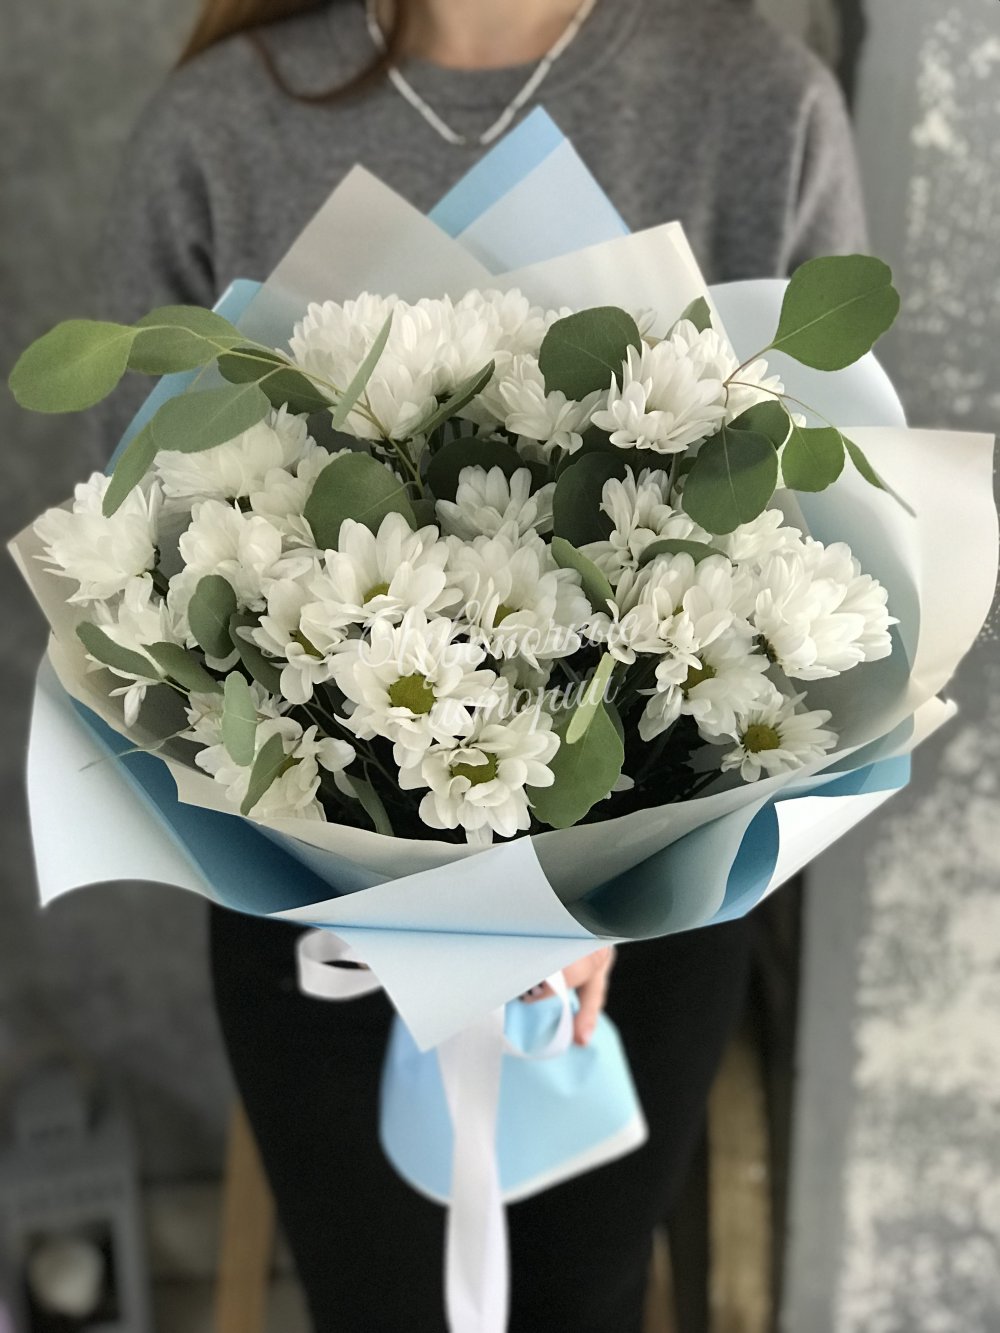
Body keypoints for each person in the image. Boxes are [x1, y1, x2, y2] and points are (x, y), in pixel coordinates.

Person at [96, 2, 868, 1329]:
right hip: (310, 896)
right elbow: (135, 555)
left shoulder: (762, 107)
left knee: (585, 1305)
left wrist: (588, 897)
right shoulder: (220, 128)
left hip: (652, 908)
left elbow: (829, 553)